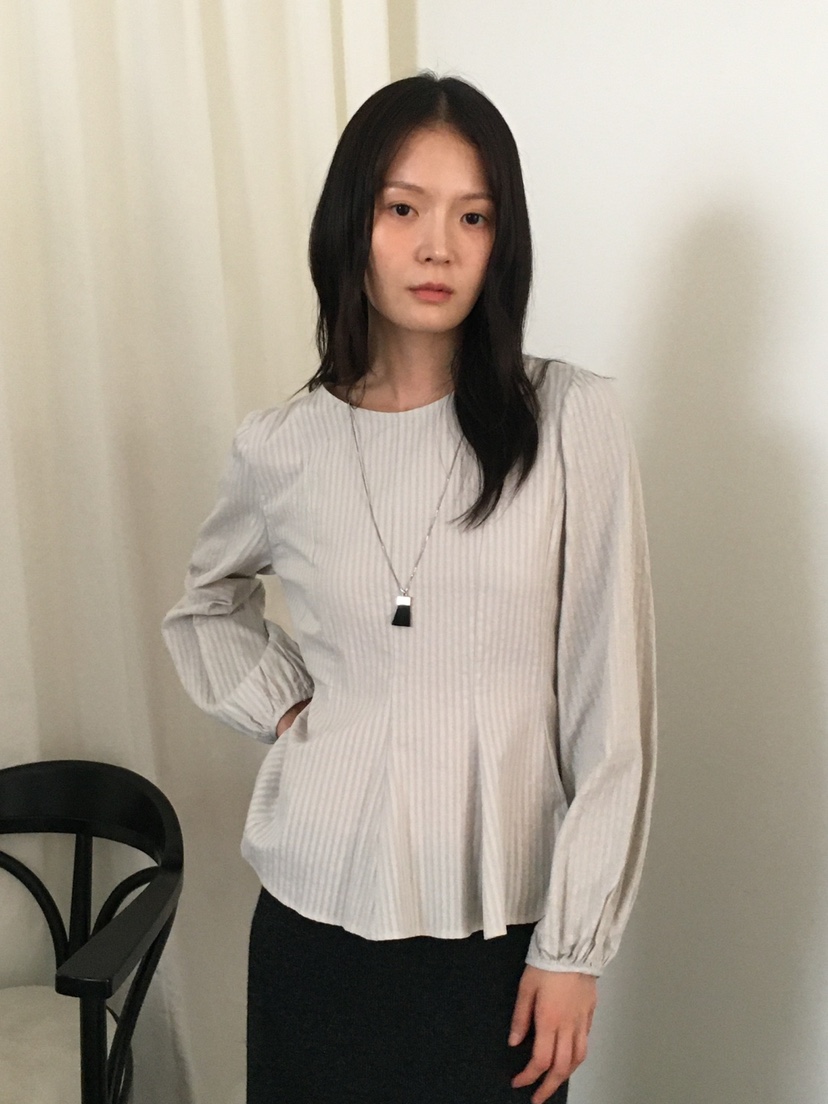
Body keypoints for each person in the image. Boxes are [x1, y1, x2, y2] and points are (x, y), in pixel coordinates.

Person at [162, 70, 656, 1104]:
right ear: (353, 224)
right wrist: (290, 704)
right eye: (403, 209)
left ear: (502, 242)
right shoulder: (284, 444)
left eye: (473, 217)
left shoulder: (571, 422)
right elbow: (204, 604)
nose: (439, 247)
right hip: (311, 928)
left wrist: (573, 949)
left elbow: (613, 718)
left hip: (502, 941)